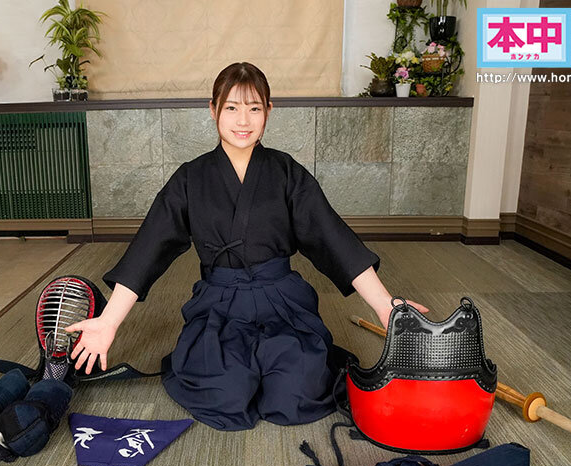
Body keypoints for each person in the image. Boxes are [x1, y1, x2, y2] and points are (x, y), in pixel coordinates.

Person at [65, 62, 428, 431]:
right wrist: (109, 322)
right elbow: (148, 248)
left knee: (298, 392)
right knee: (225, 394)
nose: (243, 120)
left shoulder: (287, 172)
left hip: (282, 302)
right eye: (231, 107)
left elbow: (332, 237)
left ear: (268, 110)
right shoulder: (190, 178)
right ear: (213, 109)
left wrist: (384, 304)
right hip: (219, 305)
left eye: (254, 108)